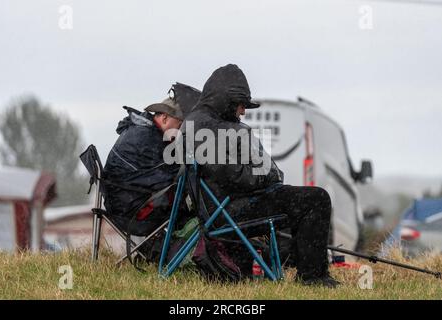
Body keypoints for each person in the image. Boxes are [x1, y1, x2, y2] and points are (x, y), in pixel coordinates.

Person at [181, 64, 339, 287]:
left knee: (301, 200)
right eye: (241, 105)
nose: (243, 112)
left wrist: (266, 172)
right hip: (230, 212)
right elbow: (236, 177)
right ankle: (313, 277)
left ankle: (308, 269)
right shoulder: (207, 127)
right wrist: (269, 174)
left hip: (228, 206)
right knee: (316, 199)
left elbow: (236, 173)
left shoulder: (200, 123)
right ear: (227, 99)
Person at [103, 83, 200, 237]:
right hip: (133, 212)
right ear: (164, 117)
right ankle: (180, 253)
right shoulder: (148, 139)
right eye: (180, 125)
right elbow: (170, 176)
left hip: (122, 203)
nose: (182, 131)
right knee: (196, 207)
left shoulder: (142, 131)